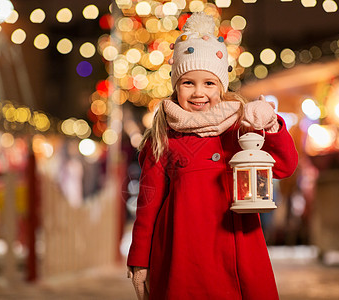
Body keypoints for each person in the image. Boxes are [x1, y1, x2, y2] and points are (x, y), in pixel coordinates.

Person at [127, 12, 298, 300]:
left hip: (236, 247)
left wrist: (271, 126)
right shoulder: (163, 136)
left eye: (208, 83)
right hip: (181, 254)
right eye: (187, 83)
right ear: (175, 85)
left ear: (221, 85)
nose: (198, 93)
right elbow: (148, 204)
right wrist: (140, 259)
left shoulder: (240, 126)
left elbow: (284, 166)